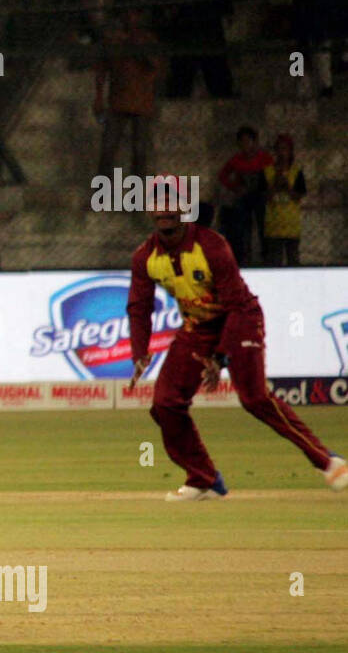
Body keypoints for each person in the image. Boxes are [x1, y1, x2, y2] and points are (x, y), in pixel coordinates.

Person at [126, 175, 347, 500]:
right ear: (149, 210)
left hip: (241, 319)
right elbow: (139, 306)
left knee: (255, 399)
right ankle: (204, 480)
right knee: (165, 404)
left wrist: (220, 357)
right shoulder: (144, 257)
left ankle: (327, 461)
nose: (165, 210)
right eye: (158, 203)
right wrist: (139, 351)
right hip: (197, 329)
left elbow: (233, 305)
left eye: (171, 202)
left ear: (184, 208)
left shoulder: (212, 246)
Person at [94, 7, 162, 177]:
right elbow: (102, 69)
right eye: (126, 14)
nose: (129, 18)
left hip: (141, 100)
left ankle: (136, 198)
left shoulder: (147, 39)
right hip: (117, 100)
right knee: (108, 148)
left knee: (139, 151)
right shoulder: (112, 41)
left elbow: (155, 64)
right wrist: (98, 96)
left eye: (133, 14)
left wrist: (136, 44)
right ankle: (102, 196)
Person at [159, 0, 236, 98]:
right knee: (185, 59)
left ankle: (222, 90)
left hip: (207, 12)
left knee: (213, 56)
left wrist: (227, 8)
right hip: (187, 12)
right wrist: (167, 4)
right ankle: (180, 91)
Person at [216, 126, 272, 266]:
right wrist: (235, 187)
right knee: (244, 228)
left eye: (248, 141)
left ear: (254, 142)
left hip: (260, 198)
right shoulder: (236, 160)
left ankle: (266, 258)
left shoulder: (264, 158)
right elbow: (223, 176)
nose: (246, 145)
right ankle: (246, 258)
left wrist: (269, 190)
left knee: (263, 227)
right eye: (242, 142)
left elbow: (272, 175)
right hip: (244, 198)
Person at [259, 134, 307, 266]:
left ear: (290, 151)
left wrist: (287, 186)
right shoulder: (267, 172)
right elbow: (264, 197)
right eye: (279, 149)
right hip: (273, 226)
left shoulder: (297, 172)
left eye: (285, 149)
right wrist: (275, 183)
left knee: (293, 261)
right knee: (274, 262)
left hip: (291, 226)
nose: (282, 153)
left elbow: (299, 196)